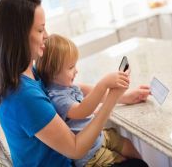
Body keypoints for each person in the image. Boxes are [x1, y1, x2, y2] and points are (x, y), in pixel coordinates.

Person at [0, 0, 150, 167]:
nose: (46, 35)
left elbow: (77, 89)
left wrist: (125, 97)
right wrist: (112, 97)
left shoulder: (30, 73)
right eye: (39, 29)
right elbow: (76, 149)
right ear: (19, 37)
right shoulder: (23, 97)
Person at [36, 34, 150, 167]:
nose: (76, 71)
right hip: (90, 156)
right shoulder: (57, 97)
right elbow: (82, 110)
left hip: (99, 137)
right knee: (125, 161)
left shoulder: (66, 86)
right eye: (71, 67)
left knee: (128, 145)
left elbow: (88, 91)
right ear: (53, 71)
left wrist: (127, 97)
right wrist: (104, 83)